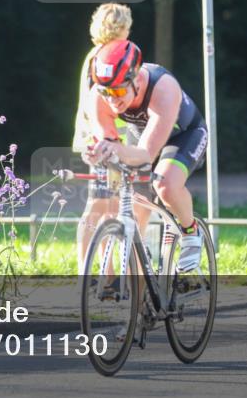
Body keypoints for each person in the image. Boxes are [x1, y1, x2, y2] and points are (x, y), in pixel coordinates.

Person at [83, 39, 208, 272]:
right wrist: (101, 152)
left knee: (165, 185)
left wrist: (116, 150)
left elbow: (145, 156)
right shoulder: (98, 96)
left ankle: (191, 232)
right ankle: (141, 282)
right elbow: (110, 143)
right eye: (105, 92)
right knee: (136, 204)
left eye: (119, 90)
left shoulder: (164, 88)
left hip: (184, 135)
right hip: (141, 136)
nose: (112, 99)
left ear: (137, 79)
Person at [73, 4, 150, 273]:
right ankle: (94, 271)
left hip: (101, 139)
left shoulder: (96, 55)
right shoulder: (110, 58)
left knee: (105, 208)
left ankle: (104, 274)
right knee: (102, 206)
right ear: (123, 27)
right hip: (108, 141)